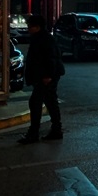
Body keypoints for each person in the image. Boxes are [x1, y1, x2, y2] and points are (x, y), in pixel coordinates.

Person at [18, 14, 64, 144]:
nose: (28, 29)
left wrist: (47, 75)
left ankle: (34, 133)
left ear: (37, 27)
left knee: (36, 102)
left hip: (46, 77)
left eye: (30, 26)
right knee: (50, 102)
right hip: (45, 76)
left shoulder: (44, 39)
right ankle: (55, 129)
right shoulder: (40, 38)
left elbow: (51, 58)